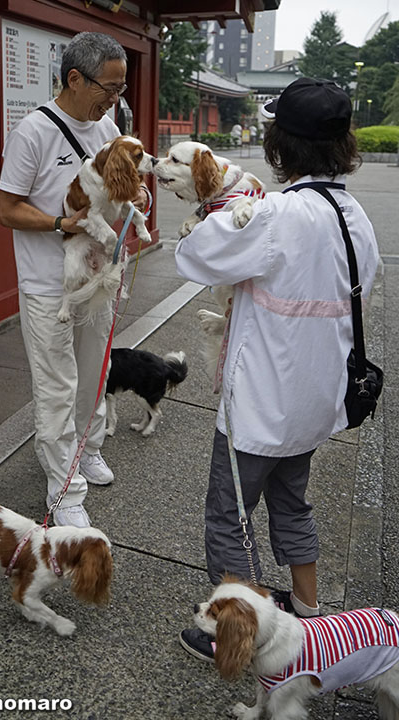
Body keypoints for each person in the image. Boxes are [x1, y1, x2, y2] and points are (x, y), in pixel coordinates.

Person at [175, 77, 379, 660]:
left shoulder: (275, 215)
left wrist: (224, 207)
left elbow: (194, 256)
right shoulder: (355, 217)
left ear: (280, 145)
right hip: (316, 402)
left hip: (260, 405)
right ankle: (308, 610)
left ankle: (240, 635)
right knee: (292, 503)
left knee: (229, 517)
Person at [0, 32, 151, 528]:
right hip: (49, 283)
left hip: (99, 278)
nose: (116, 98)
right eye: (110, 87)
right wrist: (62, 223)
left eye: (121, 89)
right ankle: (63, 489)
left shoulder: (106, 125)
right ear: (74, 79)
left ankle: (88, 449)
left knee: (94, 374)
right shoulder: (32, 132)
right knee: (57, 387)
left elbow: (120, 188)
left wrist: (138, 198)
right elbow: (8, 209)